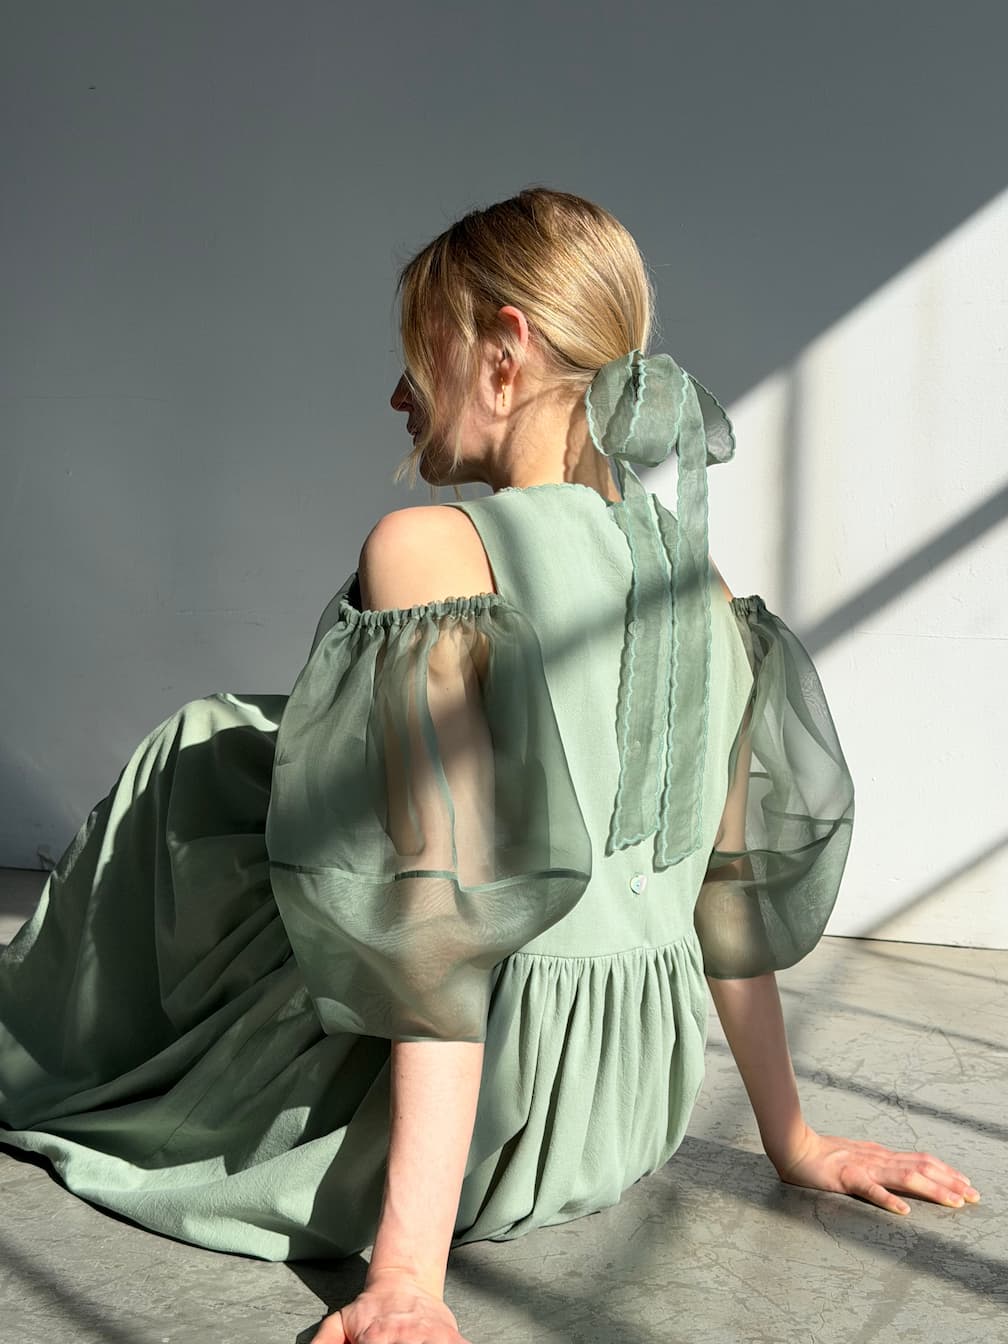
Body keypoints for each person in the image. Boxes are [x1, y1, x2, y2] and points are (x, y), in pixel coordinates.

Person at [0, 187, 979, 1344]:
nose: (399, 394)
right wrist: (795, 1139)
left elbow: (435, 921)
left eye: (421, 353)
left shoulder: (429, 549)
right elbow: (728, 902)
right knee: (255, 741)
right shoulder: (705, 594)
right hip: (611, 1115)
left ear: (505, 347)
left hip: (462, 1123)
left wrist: (406, 1272)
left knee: (199, 745)